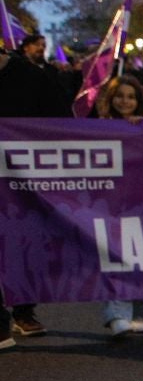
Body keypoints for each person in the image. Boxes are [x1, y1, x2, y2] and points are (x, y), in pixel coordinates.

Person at [1, 32, 79, 337]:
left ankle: (23, 310)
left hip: (25, 179)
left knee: (23, 240)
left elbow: (60, 119)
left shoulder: (29, 75)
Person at [92, 77, 143, 337]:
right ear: (110, 99)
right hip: (108, 204)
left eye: (131, 97)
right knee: (114, 256)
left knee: (136, 257)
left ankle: (129, 314)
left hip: (137, 202)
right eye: (120, 96)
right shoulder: (97, 128)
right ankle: (116, 313)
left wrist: (139, 130)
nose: (125, 101)